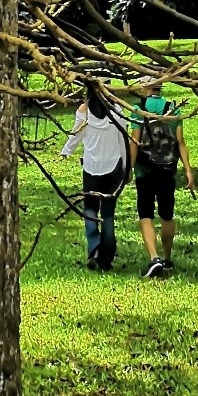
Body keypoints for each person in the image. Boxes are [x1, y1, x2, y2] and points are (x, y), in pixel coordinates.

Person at [61, 80, 130, 271]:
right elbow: (123, 139)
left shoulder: (84, 110)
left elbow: (75, 135)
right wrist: (127, 167)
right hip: (113, 168)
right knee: (108, 214)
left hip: (91, 169)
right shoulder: (116, 110)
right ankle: (106, 258)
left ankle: (94, 249)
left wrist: (66, 151)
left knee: (90, 209)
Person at [129, 80, 194, 278]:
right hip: (168, 168)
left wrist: (129, 168)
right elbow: (180, 142)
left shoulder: (139, 109)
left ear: (145, 88)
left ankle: (153, 257)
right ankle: (166, 257)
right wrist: (189, 171)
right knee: (167, 214)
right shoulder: (172, 108)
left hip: (145, 170)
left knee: (146, 213)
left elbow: (135, 140)